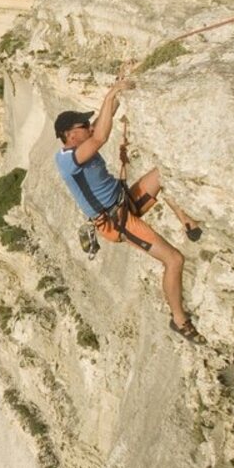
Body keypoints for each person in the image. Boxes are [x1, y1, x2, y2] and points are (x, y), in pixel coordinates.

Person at [54, 78, 206, 344]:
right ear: (71, 134)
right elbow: (101, 136)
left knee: (163, 173)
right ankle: (179, 320)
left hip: (124, 202)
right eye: (84, 125)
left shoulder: (80, 145)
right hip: (117, 223)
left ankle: (187, 221)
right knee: (174, 260)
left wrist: (117, 87)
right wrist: (111, 94)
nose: (89, 127)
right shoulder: (68, 160)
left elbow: (105, 117)